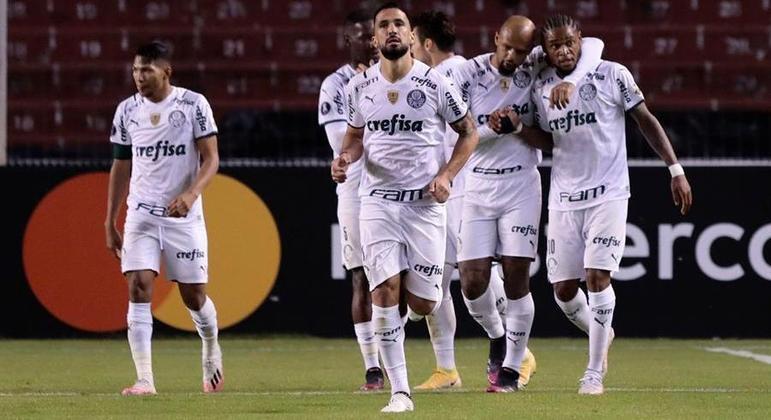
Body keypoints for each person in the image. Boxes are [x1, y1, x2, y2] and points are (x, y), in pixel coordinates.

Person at [506, 14, 693, 395]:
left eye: (569, 42)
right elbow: (550, 142)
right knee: (562, 290)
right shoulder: (540, 85)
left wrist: (675, 169)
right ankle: (601, 331)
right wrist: (520, 130)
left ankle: (593, 372)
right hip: (564, 197)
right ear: (547, 49)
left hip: (608, 193)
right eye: (555, 45)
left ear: (581, 40)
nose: (563, 51)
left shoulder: (611, 74)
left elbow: (646, 120)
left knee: (597, 278)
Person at [331, 2, 478, 412]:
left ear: (412, 36)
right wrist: (344, 159)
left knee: (423, 304)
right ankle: (400, 391)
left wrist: (447, 174)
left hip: (425, 207)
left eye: (399, 24)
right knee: (384, 291)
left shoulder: (434, 85)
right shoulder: (358, 88)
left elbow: (469, 134)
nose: (392, 30)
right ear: (374, 38)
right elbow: (355, 137)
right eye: (384, 25)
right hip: (376, 203)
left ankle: (416, 316)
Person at [451, 15, 604, 393]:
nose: (514, 57)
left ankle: (512, 369)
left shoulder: (534, 64)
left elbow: (596, 45)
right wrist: (493, 127)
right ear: (495, 37)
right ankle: (497, 335)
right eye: (508, 48)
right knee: (471, 283)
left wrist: (568, 82)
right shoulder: (466, 75)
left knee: (517, 278)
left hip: (521, 186)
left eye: (522, 51)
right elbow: (457, 132)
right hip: (478, 187)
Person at [105, 41, 224, 396]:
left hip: (182, 216)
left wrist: (190, 195)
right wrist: (109, 219)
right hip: (141, 213)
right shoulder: (126, 111)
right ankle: (145, 380)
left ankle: (210, 345)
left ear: (166, 71)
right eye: (135, 70)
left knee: (193, 296)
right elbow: (121, 165)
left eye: (147, 70)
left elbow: (211, 158)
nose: (139, 77)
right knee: (138, 285)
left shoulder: (192, 105)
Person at [318, 8, 385, 392]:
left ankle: (394, 351)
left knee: (400, 281)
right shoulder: (335, 85)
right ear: (348, 39)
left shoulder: (399, 75)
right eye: (362, 35)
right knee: (361, 277)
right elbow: (340, 142)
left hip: (398, 187)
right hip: (357, 190)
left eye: (373, 33)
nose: (370, 40)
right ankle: (373, 368)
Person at [407, 8, 468, 391]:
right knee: (434, 286)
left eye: (413, 41)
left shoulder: (448, 75)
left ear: (426, 43)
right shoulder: (461, 71)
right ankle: (447, 370)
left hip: (464, 191)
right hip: (443, 195)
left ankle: (517, 352)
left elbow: (471, 130)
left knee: (481, 279)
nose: (410, 49)